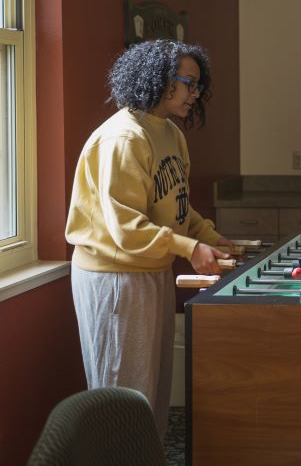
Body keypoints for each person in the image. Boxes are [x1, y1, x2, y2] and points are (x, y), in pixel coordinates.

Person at [66, 39, 234, 439]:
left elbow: (175, 206)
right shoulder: (124, 138)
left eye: (197, 85)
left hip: (151, 269)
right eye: (187, 83)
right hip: (115, 278)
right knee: (121, 399)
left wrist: (209, 237)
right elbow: (125, 227)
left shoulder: (169, 133)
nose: (195, 93)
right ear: (159, 80)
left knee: (151, 397)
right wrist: (189, 248)